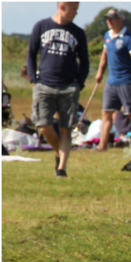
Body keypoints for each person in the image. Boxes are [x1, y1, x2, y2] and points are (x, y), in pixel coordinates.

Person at [27, 1, 89, 178]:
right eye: (74, 9)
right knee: (44, 125)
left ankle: (61, 168)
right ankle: (58, 152)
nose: (76, 13)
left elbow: (84, 61)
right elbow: (31, 54)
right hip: (44, 84)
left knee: (66, 128)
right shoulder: (41, 26)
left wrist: (79, 83)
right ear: (62, 7)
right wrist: (33, 79)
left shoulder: (78, 32)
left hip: (69, 86)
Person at [94, 8, 131, 151]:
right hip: (112, 81)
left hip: (127, 80)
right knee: (106, 113)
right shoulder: (107, 35)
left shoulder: (128, 38)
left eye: (112, 18)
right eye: (107, 19)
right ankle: (102, 145)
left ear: (120, 20)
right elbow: (104, 55)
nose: (109, 21)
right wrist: (100, 72)